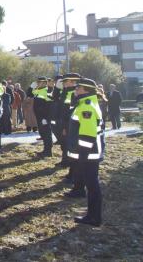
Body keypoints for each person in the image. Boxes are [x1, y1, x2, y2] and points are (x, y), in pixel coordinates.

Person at [68, 78, 105, 226]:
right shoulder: (85, 103)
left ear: (86, 90)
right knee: (91, 184)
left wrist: (82, 156)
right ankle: (92, 214)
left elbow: (87, 135)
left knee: (92, 185)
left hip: (89, 153)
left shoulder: (87, 107)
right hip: (90, 152)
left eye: (78, 88)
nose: (75, 90)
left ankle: (94, 217)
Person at [29, 77, 53, 157]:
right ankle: (45, 150)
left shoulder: (46, 91)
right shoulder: (38, 90)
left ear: (44, 83)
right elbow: (29, 94)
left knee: (47, 134)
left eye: (39, 82)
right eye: (37, 82)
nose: (37, 83)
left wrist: (46, 118)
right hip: (39, 116)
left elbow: (49, 105)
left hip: (44, 117)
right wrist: (31, 87)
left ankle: (48, 151)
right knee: (43, 133)